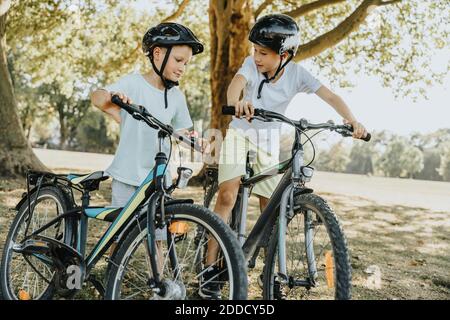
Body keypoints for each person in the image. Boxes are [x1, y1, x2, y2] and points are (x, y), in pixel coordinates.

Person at [202, 13, 368, 298]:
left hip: (268, 141)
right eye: (255, 50)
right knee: (228, 195)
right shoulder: (250, 66)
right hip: (241, 133)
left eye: (263, 53)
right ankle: (209, 269)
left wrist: (352, 120)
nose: (256, 57)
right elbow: (235, 85)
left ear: (286, 55)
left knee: (271, 209)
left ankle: (271, 276)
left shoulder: (297, 74)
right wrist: (237, 103)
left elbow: (330, 97)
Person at [90, 22, 208, 270]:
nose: (182, 68)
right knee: (119, 235)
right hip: (127, 175)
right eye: (178, 60)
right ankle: (112, 275)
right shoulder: (133, 83)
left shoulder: (176, 96)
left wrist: (198, 141)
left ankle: (160, 284)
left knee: (158, 237)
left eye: (186, 63)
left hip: (158, 179)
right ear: (157, 53)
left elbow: (185, 131)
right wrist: (113, 96)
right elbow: (98, 97)